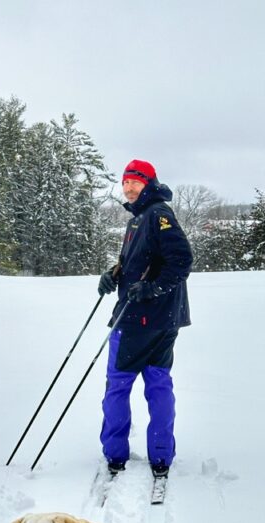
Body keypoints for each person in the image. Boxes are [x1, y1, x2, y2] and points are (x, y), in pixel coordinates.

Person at [98, 159, 192, 478]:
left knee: (119, 386)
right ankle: (161, 454)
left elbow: (181, 261)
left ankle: (115, 453)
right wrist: (114, 275)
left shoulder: (158, 214)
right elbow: (140, 261)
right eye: (125, 182)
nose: (128, 187)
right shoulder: (140, 217)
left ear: (149, 182)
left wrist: (150, 289)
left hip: (141, 320)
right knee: (158, 384)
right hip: (162, 319)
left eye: (135, 182)